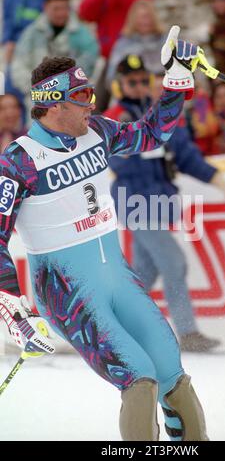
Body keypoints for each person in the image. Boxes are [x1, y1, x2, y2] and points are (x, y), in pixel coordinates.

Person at [0, 27, 209, 441]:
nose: (91, 105)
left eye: (91, 94)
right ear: (52, 104)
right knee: (140, 379)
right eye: (81, 98)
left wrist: (177, 81)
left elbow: (151, 134)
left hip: (118, 277)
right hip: (67, 292)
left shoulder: (96, 131)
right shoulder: (19, 161)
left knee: (173, 374)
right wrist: (15, 310)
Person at [106, 55, 225, 352]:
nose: (138, 86)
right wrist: (144, 149)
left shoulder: (159, 115)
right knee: (175, 263)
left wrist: (213, 176)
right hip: (135, 204)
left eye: (142, 80)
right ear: (119, 85)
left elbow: (184, 154)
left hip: (158, 205)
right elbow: (117, 161)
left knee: (143, 274)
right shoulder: (114, 117)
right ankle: (187, 333)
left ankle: (114, 327)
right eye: (131, 82)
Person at [10, 0, 99, 118]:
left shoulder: (83, 35)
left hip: (73, 98)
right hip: (38, 100)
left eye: (64, 8)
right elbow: (18, 67)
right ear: (45, 7)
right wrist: (38, 91)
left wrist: (63, 92)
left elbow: (87, 68)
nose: (61, 13)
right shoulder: (31, 34)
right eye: (56, 9)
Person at [106, 0, 166, 89]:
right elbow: (111, 77)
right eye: (141, 17)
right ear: (133, 20)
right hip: (132, 93)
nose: (145, 21)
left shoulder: (165, 42)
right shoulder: (123, 44)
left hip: (162, 91)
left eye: (147, 17)